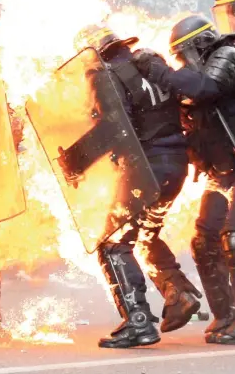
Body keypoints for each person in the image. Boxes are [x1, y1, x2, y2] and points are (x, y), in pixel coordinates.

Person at [74, 24, 202, 348]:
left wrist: (74, 162)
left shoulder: (104, 74)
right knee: (144, 234)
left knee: (113, 242)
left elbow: (116, 126)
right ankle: (179, 292)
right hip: (176, 165)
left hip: (147, 169)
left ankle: (139, 322)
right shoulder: (149, 65)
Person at [138, 14, 235, 344]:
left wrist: (161, 72)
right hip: (221, 174)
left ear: (198, 45)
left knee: (233, 239)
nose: (181, 64)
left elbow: (207, 88)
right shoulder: (190, 82)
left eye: (182, 55)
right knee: (204, 241)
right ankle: (226, 317)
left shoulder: (228, 54)